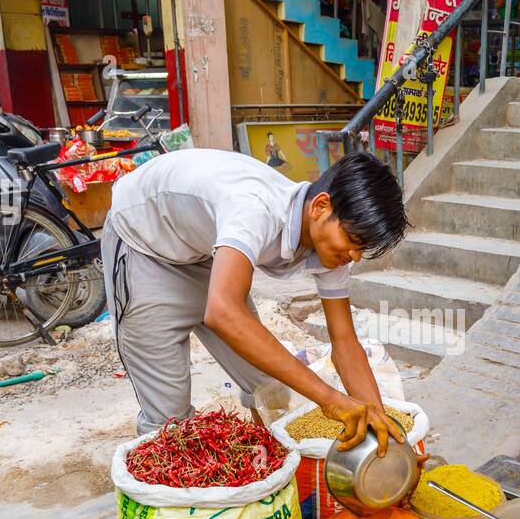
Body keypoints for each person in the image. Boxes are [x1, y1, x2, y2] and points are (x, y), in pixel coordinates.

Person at [102, 148, 409, 453]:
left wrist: (378, 421)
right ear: (320, 206)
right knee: (170, 426)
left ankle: (273, 468)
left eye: (363, 248)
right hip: (145, 245)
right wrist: (330, 398)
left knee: (270, 388)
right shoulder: (255, 209)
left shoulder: (333, 249)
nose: (354, 256)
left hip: (204, 249)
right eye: (354, 242)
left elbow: (345, 342)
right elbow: (222, 312)